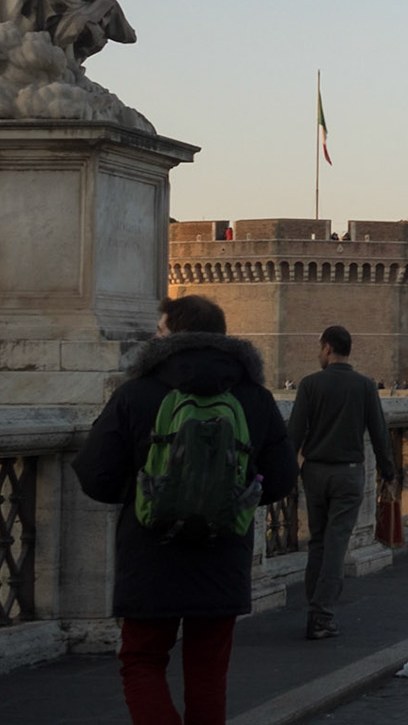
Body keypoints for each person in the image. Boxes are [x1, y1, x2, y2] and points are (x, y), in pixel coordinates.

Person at [73, 295, 298, 725]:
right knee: (208, 673)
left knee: (141, 661)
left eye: (159, 330)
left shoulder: (136, 393)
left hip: (150, 552)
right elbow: (283, 478)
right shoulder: (254, 396)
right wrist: (228, 500)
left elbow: (94, 476)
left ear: (172, 335)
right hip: (223, 552)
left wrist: (147, 492)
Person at [286, 324, 397, 640]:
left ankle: (315, 606)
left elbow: (294, 434)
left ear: (327, 348)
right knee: (336, 544)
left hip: (316, 472)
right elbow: (379, 433)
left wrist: (286, 472)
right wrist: (389, 473)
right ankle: (322, 614)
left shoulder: (310, 385)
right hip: (349, 473)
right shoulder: (364, 386)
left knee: (318, 542)